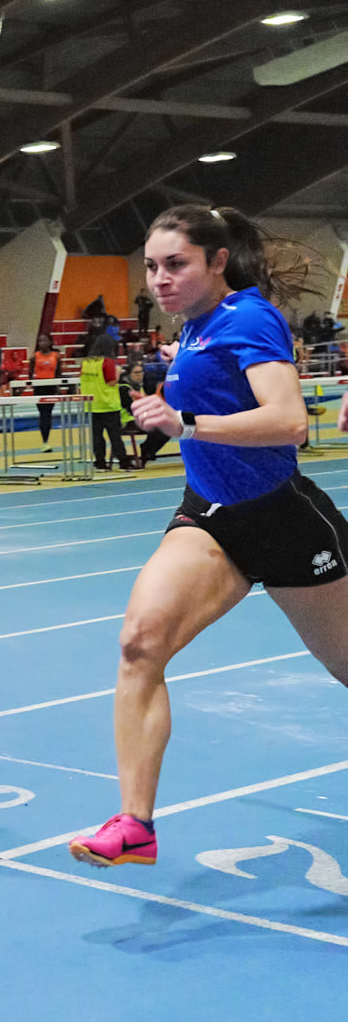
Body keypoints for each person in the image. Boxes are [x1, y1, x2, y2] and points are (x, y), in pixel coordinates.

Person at [69, 205, 348, 870]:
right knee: (140, 643)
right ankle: (135, 825)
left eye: (176, 264)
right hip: (210, 516)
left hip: (283, 520)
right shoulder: (195, 325)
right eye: (151, 267)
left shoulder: (249, 318)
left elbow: (289, 422)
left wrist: (186, 421)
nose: (159, 279)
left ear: (217, 262)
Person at [80, 350, 131, 471]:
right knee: (115, 436)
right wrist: (118, 371)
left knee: (97, 437)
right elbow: (112, 382)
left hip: (92, 405)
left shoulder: (85, 363)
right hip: (109, 405)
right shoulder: (107, 361)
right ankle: (123, 461)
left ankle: (100, 462)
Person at [30, 335, 63, 451]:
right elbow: (30, 375)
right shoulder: (34, 357)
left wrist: (58, 387)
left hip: (51, 388)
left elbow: (59, 374)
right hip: (39, 388)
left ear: (50, 342)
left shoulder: (56, 356)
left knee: (48, 414)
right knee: (42, 414)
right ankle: (44, 441)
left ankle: (46, 441)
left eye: (44, 340)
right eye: (40, 341)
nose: (42, 343)